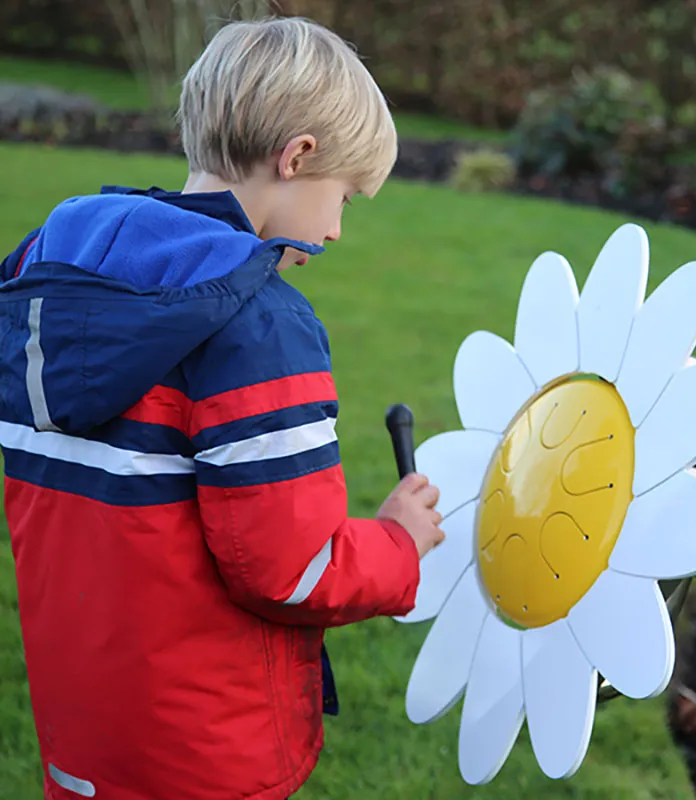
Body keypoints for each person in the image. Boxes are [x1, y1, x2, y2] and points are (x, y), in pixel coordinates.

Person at [0, 16, 444, 800]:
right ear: (298, 155)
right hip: (206, 751)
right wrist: (399, 545)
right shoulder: (260, 325)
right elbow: (292, 569)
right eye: (343, 196)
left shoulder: (49, 261)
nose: (338, 227)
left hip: (84, 730)